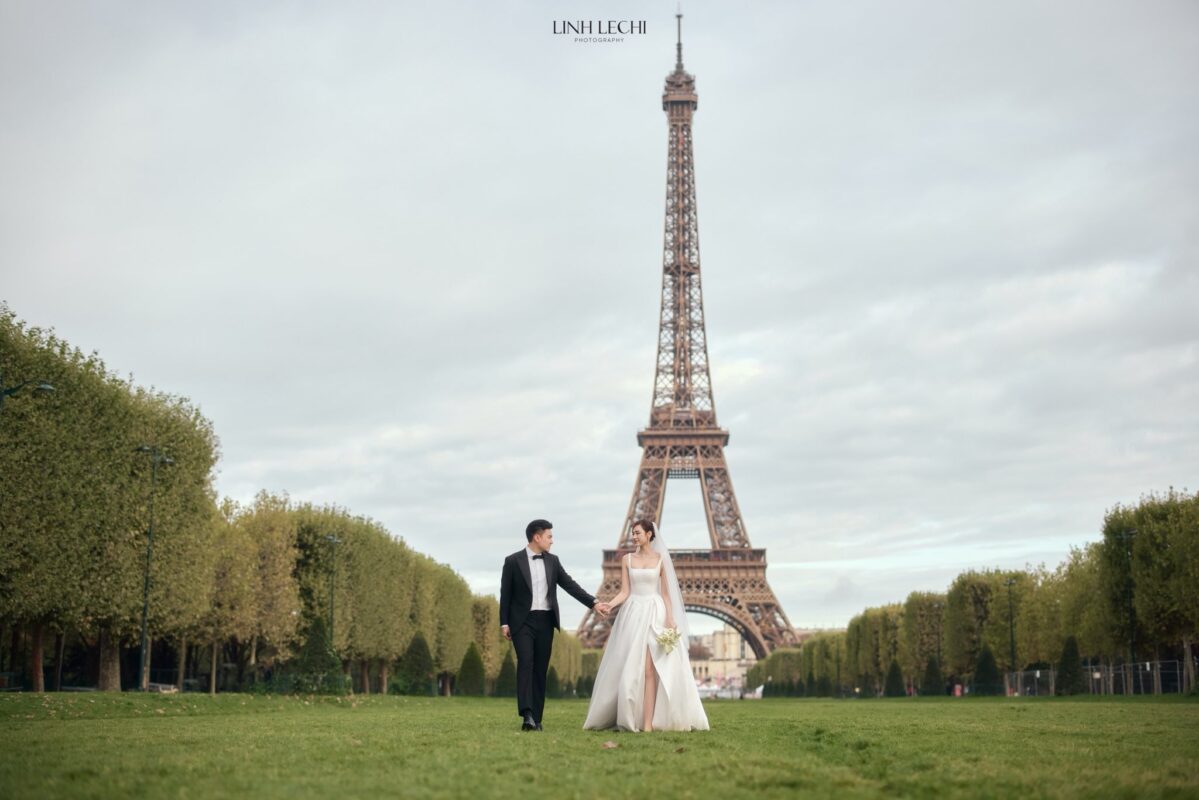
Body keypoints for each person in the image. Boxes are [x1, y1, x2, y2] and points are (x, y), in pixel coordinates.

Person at [583, 519, 709, 732]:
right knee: (631, 667)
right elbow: (625, 592)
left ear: (649, 534)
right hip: (633, 613)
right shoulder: (626, 559)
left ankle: (648, 724)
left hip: (655, 613)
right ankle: (630, 715)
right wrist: (609, 605)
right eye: (633, 533)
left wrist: (670, 618)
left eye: (638, 533)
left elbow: (666, 595)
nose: (634, 536)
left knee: (650, 670)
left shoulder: (661, 559)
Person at [499, 519, 611, 731]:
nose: (552, 541)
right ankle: (527, 715)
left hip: (545, 620)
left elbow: (570, 585)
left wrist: (594, 603)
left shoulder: (553, 561)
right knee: (526, 662)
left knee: (540, 669)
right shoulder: (512, 561)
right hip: (522, 621)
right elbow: (506, 594)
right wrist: (504, 622)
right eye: (549, 536)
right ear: (537, 537)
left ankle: (537, 718)